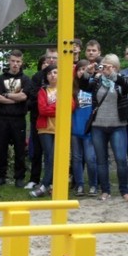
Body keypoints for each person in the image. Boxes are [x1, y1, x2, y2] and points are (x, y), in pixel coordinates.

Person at [79, 54, 128, 202]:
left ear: (116, 68)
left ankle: (124, 190)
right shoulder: (97, 81)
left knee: (121, 159)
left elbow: (125, 86)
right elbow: (83, 86)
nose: (107, 68)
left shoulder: (121, 80)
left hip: (118, 126)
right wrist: (88, 73)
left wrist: (112, 74)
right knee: (101, 161)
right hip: (98, 126)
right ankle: (105, 191)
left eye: (111, 66)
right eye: (105, 65)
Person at [30, 65, 76, 197]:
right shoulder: (43, 91)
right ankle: (45, 185)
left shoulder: (65, 89)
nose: (53, 75)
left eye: (56, 72)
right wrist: (60, 107)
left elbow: (70, 107)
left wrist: (53, 107)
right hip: (45, 129)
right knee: (50, 156)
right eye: (50, 73)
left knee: (61, 157)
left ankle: (53, 185)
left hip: (61, 128)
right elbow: (42, 110)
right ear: (46, 76)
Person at [0, 50, 31, 188]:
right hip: (3, 118)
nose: (15, 64)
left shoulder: (26, 79)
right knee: (0, 148)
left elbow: (24, 97)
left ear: (21, 63)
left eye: (18, 61)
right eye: (13, 61)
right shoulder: (0, 78)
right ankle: (0, 175)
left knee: (20, 150)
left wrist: (6, 96)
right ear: (9, 61)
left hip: (19, 118)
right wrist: (15, 98)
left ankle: (19, 177)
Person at [25, 50, 57, 189]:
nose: (50, 60)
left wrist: (50, 108)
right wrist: (53, 108)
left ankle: (54, 182)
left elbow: (69, 104)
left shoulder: (66, 79)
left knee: (56, 155)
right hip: (39, 120)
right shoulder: (38, 76)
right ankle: (35, 179)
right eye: (48, 57)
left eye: (54, 58)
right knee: (37, 151)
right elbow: (34, 98)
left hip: (58, 125)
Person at [71, 59, 98, 197]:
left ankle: (93, 184)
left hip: (89, 129)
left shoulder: (94, 85)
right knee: (76, 158)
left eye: (85, 69)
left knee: (90, 158)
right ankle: (80, 185)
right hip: (75, 128)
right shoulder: (73, 88)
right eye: (80, 69)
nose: (82, 71)